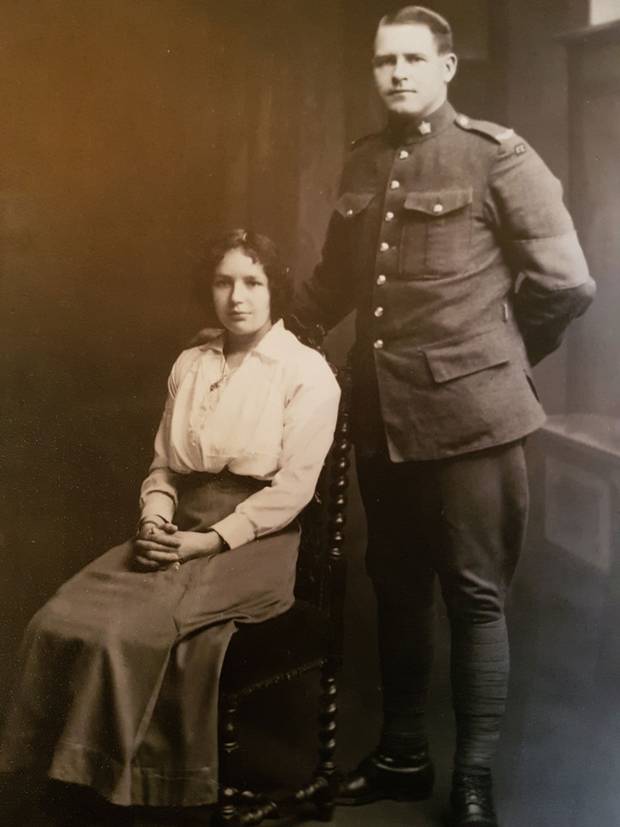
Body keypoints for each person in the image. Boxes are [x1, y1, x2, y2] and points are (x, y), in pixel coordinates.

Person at [288, 6, 595, 826]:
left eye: (413, 59)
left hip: (473, 425)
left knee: (475, 597)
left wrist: (499, 358)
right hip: (382, 418)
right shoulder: (364, 160)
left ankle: (474, 777)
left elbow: (567, 282)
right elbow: (334, 282)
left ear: (447, 67)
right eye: (383, 60)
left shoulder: (498, 157)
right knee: (396, 585)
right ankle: (402, 754)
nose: (396, 73)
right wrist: (273, 338)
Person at [0, 229, 341, 817]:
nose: (237, 297)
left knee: (123, 634)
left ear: (275, 290)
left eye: (253, 282)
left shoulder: (307, 373)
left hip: (253, 544)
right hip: (177, 529)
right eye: (224, 282)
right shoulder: (191, 364)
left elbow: (291, 492)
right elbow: (164, 467)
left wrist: (206, 541)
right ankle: (55, 780)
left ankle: (109, 791)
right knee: (57, 618)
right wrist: (156, 521)